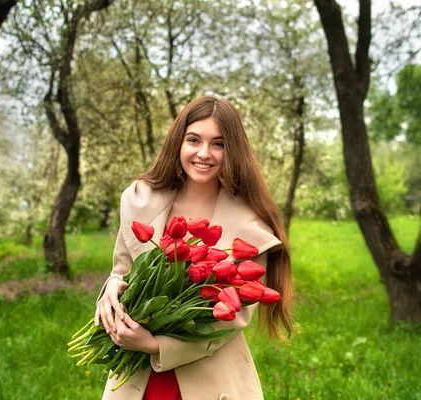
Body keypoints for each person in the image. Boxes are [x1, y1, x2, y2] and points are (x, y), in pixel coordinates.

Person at [94, 95, 293, 400]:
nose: (204, 153)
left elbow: (234, 319)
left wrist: (154, 345)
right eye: (194, 140)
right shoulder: (140, 200)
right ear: (179, 142)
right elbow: (122, 271)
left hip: (210, 376)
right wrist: (110, 289)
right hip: (136, 378)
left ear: (232, 150)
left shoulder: (249, 226)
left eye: (218, 144)